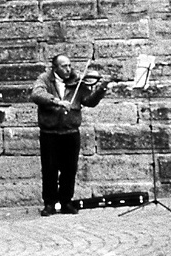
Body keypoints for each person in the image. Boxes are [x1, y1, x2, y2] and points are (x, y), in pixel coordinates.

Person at [30, 54, 111, 217]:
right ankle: (49, 204)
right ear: (55, 68)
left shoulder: (77, 81)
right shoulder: (44, 79)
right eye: (64, 66)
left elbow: (89, 101)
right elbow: (36, 94)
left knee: (69, 169)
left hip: (71, 132)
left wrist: (101, 89)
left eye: (69, 65)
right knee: (50, 169)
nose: (69, 69)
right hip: (50, 133)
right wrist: (56, 101)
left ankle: (66, 201)